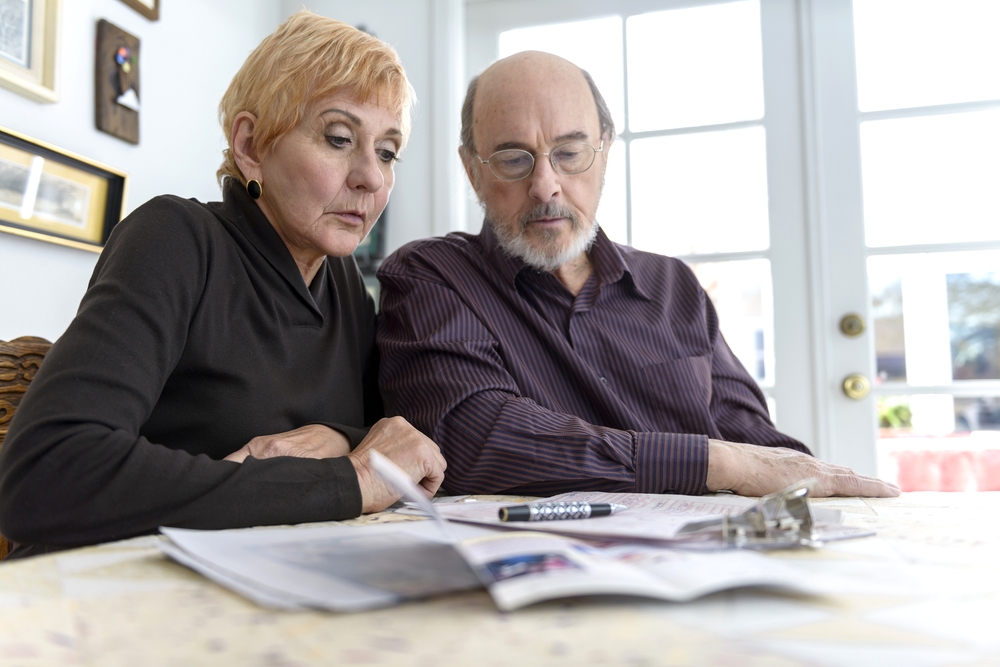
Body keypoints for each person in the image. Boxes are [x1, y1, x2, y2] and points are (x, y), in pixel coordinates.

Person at [0, 12, 445, 558]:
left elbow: (392, 440)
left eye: (386, 151)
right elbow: (49, 471)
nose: (372, 177)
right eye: (338, 138)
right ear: (252, 144)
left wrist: (341, 441)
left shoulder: (344, 282)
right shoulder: (176, 237)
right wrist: (347, 479)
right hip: (105, 601)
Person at [376, 51, 898, 499]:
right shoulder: (430, 277)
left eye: (570, 153)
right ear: (473, 170)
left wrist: (799, 476)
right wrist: (717, 465)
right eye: (514, 159)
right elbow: (474, 442)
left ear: (604, 150)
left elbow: (757, 447)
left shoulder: (674, 287)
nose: (545, 185)